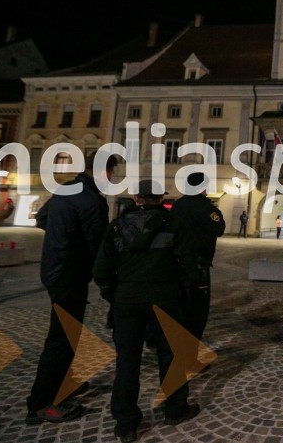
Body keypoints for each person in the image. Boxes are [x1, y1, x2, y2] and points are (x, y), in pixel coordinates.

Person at [94, 180, 200, 442]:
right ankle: (175, 409)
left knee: (128, 360)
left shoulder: (117, 226)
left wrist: (113, 294)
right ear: (160, 198)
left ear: (136, 198)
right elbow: (189, 267)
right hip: (165, 298)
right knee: (171, 355)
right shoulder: (173, 225)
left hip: (127, 299)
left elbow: (101, 270)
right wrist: (186, 296)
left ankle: (126, 423)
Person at [26, 153, 116, 424]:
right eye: (111, 173)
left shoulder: (65, 189)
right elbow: (98, 246)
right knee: (62, 338)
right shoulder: (92, 201)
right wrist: (108, 282)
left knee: (64, 333)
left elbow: (42, 219)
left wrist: (62, 237)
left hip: (53, 268)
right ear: (102, 171)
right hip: (70, 274)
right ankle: (41, 403)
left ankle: (64, 383)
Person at [170, 172, 226, 342]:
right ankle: (188, 353)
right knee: (196, 312)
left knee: (178, 307)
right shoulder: (206, 208)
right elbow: (219, 229)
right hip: (197, 267)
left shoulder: (178, 205)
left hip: (176, 265)